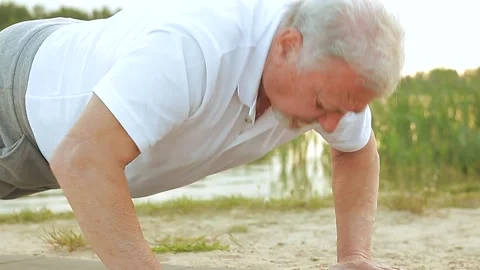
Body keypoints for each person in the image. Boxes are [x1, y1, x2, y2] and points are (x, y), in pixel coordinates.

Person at [0, 0, 405, 269]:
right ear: (288, 45)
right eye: (323, 104)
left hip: (74, 102)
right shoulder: (197, 47)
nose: (332, 124)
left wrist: (354, 256)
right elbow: (83, 159)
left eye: (347, 109)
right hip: (20, 96)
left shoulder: (328, 74)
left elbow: (356, 152)